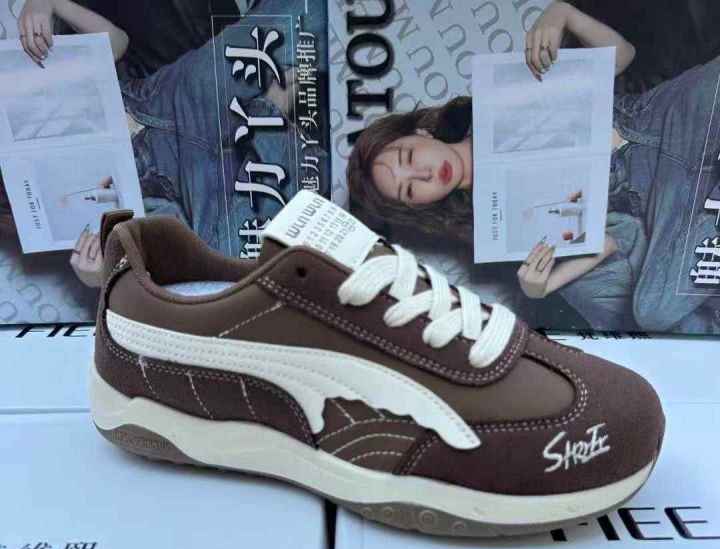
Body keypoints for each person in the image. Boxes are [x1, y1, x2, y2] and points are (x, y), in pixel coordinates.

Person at [347, 1, 720, 333]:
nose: (424, 174)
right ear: (419, 204)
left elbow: (623, 55)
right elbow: (607, 245)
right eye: (410, 189)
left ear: (421, 133)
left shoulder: (498, 96)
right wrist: (541, 287)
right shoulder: (497, 229)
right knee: (652, 312)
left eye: (409, 157)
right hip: (672, 198)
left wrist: (563, 13)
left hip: (673, 119)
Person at [16, 0, 326, 287]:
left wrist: (50, 3)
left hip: (169, 102)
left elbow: (117, 41)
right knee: (226, 269)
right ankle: (274, 132)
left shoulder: (18, 93)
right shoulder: (35, 210)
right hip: (179, 181)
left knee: (306, 14)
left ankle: (276, 135)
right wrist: (102, 274)